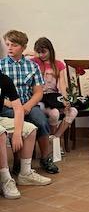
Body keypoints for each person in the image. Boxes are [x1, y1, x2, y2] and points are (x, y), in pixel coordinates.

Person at [0, 30, 59, 174]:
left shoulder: (32, 66)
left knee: (42, 121)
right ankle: (18, 161)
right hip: (7, 106)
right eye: (8, 44)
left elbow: (38, 92)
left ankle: (45, 158)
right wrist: (12, 105)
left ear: (24, 47)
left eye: (14, 45)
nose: (10, 48)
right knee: (17, 122)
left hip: (28, 104)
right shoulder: (1, 65)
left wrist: (28, 106)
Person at [0, 71, 52, 199]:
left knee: (30, 129)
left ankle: (25, 174)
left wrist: (17, 133)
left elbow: (18, 108)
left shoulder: (4, 79)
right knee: (1, 134)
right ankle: (5, 179)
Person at [31, 37, 78, 144]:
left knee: (73, 111)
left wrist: (65, 99)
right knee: (55, 113)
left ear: (50, 50)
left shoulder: (59, 64)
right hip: (39, 98)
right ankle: (54, 144)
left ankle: (54, 139)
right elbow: (22, 55)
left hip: (53, 98)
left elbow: (62, 84)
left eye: (44, 52)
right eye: (39, 52)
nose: (41, 55)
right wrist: (33, 53)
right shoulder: (34, 62)